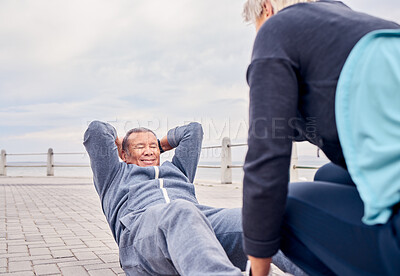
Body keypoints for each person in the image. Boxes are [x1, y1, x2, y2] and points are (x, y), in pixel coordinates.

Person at [241, 0, 400, 275]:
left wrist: (258, 269)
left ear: (266, 8)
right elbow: (321, 113)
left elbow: (266, 162)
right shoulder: (360, 28)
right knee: (330, 176)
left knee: (282, 209)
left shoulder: (277, 29)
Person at [83, 120, 247, 275]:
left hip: (197, 220)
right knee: (180, 210)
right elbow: (97, 130)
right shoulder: (115, 176)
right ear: (124, 155)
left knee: (257, 218)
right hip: (142, 231)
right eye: (140, 147)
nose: (149, 151)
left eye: (153, 146)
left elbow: (193, 131)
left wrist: (160, 145)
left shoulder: (178, 170)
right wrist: (120, 144)